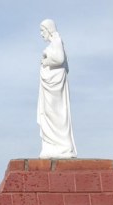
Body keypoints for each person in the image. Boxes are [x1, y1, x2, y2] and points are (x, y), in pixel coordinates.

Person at [37, 18, 77, 159]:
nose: (41, 34)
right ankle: (52, 144)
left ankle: (62, 147)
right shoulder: (54, 42)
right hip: (50, 86)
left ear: (49, 29)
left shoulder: (57, 40)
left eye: (42, 30)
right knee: (49, 115)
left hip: (55, 87)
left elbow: (59, 59)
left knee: (56, 114)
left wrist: (46, 60)